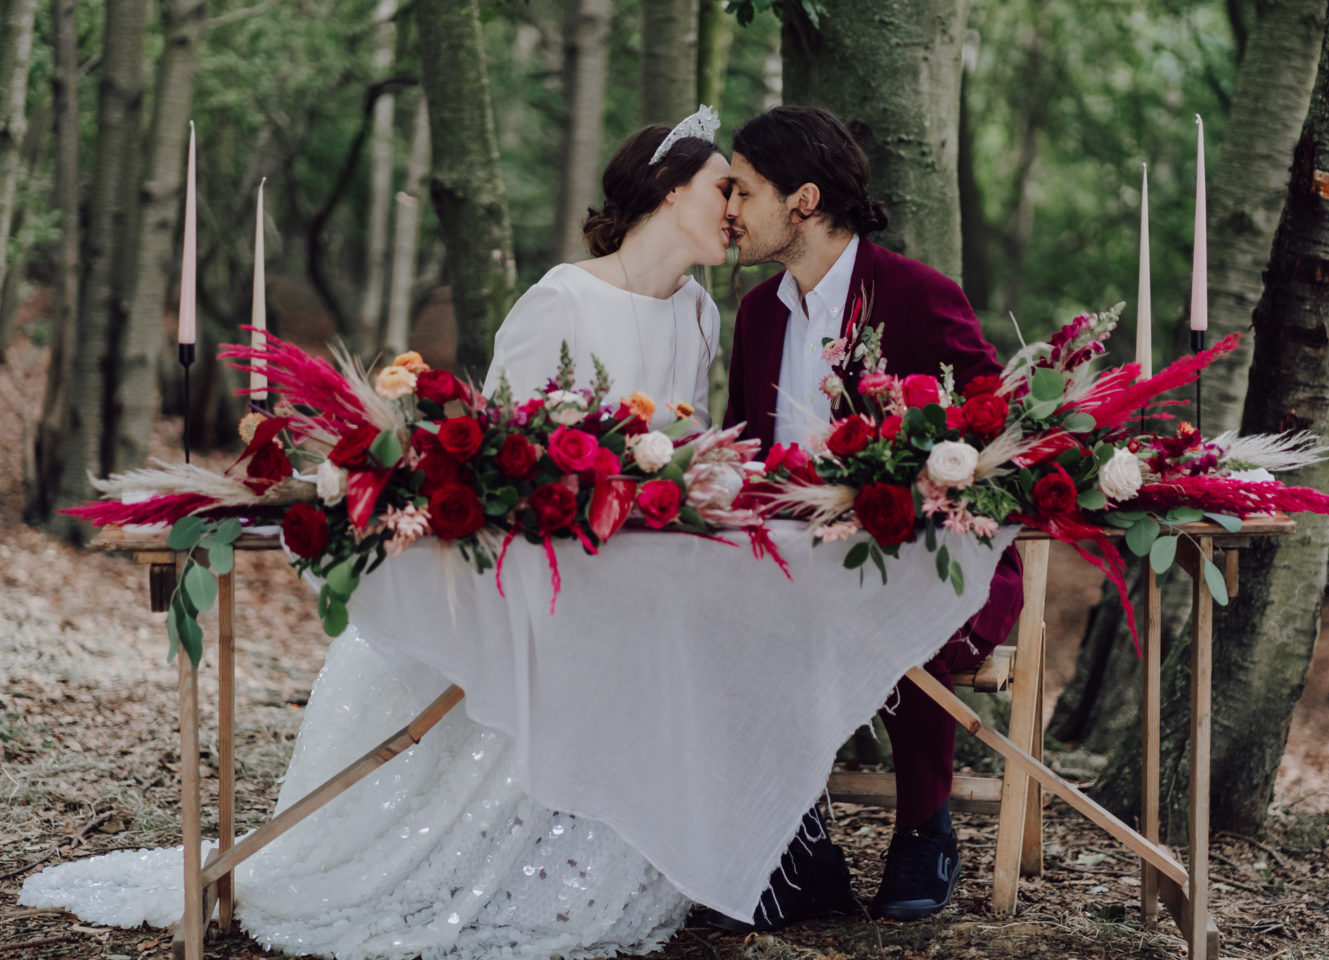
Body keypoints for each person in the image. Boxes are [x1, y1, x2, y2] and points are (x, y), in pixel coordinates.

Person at [20, 110, 732, 960]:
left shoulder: (699, 313)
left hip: (635, 581)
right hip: (536, 568)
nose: (737, 206)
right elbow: (500, 448)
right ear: (669, 188)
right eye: (726, 187)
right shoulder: (563, 298)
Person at [719, 105, 1026, 927]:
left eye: (742, 190)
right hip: (791, 569)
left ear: (804, 200)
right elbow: (749, 458)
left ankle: (924, 826)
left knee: (893, 586)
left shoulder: (918, 295)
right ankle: (797, 842)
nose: (728, 210)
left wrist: (924, 476)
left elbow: (999, 423)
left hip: (939, 562)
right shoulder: (758, 316)